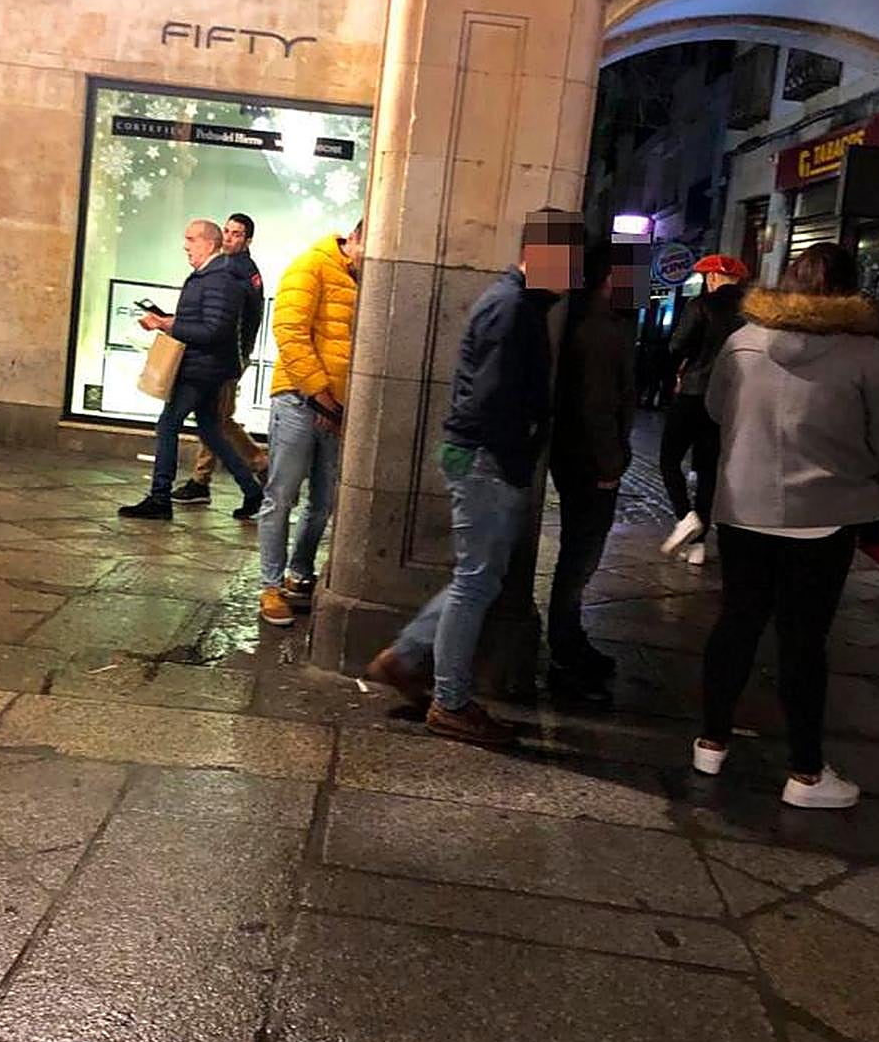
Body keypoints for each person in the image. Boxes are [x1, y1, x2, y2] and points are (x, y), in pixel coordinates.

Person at [693, 242, 879, 809]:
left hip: (742, 509)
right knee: (803, 641)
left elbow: (716, 411)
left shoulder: (742, 342)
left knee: (736, 623)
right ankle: (806, 774)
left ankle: (710, 743)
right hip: (824, 516)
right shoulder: (864, 355)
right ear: (845, 291)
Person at [366, 214, 584, 746]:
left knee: (478, 575)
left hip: (485, 456)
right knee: (476, 580)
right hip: (487, 459)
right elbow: (491, 400)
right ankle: (451, 701)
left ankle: (409, 656)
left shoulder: (519, 305)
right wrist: (516, 458)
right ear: (539, 254)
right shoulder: (512, 309)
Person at [118, 219, 264, 521]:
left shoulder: (220, 278)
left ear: (209, 244)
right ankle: (252, 492)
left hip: (203, 370)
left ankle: (160, 497)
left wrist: (169, 324)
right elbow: (206, 320)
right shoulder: (211, 275)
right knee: (211, 431)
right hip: (207, 367)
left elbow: (215, 330)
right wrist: (167, 320)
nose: (185, 245)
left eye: (191, 239)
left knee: (168, 424)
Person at [258, 222, 363, 626]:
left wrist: (340, 404)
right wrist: (320, 393)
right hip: (300, 401)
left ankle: (298, 573)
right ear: (353, 239)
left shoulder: (364, 281)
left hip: (336, 409)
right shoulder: (311, 265)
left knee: (323, 500)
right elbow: (289, 332)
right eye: (365, 247)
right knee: (282, 494)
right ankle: (270, 585)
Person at [546, 244, 636, 703]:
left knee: (579, 555)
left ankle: (570, 639)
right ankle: (564, 648)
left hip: (576, 456)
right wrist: (609, 464)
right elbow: (599, 404)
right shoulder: (602, 331)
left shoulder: (591, 322)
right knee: (580, 556)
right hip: (589, 461)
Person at [173, 212, 269, 516]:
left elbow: (236, 321)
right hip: (229, 356)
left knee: (218, 420)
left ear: (248, 239)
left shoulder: (238, 271)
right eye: (227, 231)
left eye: (237, 234)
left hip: (228, 358)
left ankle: (257, 463)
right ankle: (202, 480)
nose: (229, 237)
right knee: (214, 418)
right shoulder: (233, 268)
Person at [659, 254, 750, 565]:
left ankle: (686, 517)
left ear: (711, 278)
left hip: (694, 393)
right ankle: (698, 546)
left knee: (669, 459)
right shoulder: (752, 313)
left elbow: (677, 346)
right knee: (709, 467)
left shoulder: (700, 306)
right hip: (729, 399)